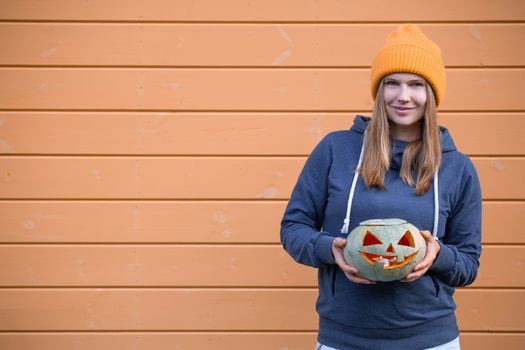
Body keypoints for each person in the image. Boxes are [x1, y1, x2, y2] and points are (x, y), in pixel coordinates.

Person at [280, 24, 482, 350]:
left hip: (431, 340)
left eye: (416, 85)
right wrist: (328, 249)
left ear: (432, 94)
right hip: (343, 339)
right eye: (392, 83)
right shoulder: (335, 150)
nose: (403, 96)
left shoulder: (458, 168)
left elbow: (469, 264)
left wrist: (438, 255)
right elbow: (293, 228)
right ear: (379, 90)